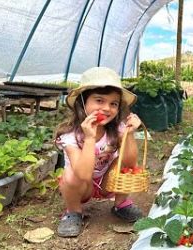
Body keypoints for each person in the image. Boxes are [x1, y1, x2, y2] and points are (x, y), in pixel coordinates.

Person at [54, 67, 144, 237]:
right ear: (83, 102)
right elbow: (83, 174)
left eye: (113, 104)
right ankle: (73, 211)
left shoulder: (116, 129)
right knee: (71, 175)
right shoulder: (70, 135)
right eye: (99, 100)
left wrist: (128, 135)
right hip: (81, 186)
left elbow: (130, 163)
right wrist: (89, 138)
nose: (106, 108)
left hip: (107, 183)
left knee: (126, 166)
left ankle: (121, 203)